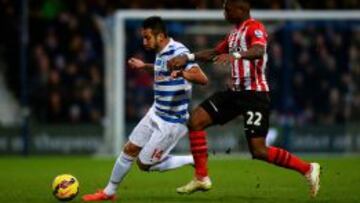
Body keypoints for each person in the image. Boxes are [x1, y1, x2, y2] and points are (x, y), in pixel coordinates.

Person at [168, 0, 321, 198]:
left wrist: (236, 56)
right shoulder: (234, 33)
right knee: (195, 121)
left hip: (254, 95)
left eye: (227, 9)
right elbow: (214, 52)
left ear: (241, 9)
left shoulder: (255, 27)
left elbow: (258, 51)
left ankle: (308, 169)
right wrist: (187, 58)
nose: (224, 12)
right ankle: (201, 177)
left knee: (258, 151)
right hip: (235, 93)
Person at [82, 16, 208, 201]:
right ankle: (109, 192)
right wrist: (144, 66)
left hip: (172, 121)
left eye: (147, 37)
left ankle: (192, 159)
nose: (144, 41)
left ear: (161, 36)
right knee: (129, 149)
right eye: (143, 37)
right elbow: (161, 68)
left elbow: (202, 78)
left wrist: (182, 72)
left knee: (144, 164)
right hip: (156, 112)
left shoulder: (178, 51)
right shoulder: (160, 52)